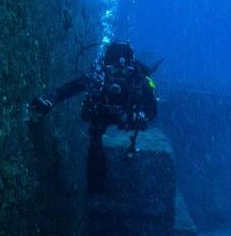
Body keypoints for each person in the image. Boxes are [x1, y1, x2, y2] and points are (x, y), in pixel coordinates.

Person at [30, 41, 158, 193]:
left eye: (124, 72)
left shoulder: (140, 79)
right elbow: (68, 89)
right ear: (105, 67)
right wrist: (49, 101)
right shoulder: (98, 76)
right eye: (114, 71)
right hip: (101, 114)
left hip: (128, 115)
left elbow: (152, 110)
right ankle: (96, 187)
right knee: (95, 140)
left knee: (105, 139)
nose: (119, 77)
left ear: (132, 68)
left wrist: (141, 118)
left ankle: (103, 186)